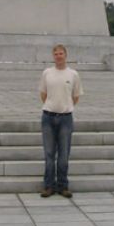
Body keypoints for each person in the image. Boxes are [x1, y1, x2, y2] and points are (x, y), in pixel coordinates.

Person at [38, 44, 83, 198]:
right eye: (56, 53)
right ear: (53, 56)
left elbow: (76, 96)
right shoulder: (47, 73)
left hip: (65, 119)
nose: (58, 56)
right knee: (49, 154)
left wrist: (65, 107)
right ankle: (48, 186)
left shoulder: (73, 74)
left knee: (64, 155)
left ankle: (63, 186)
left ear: (66, 55)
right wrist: (52, 106)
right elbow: (43, 94)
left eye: (61, 53)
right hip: (48, 118)